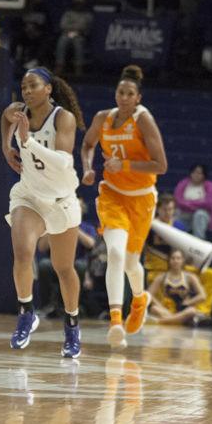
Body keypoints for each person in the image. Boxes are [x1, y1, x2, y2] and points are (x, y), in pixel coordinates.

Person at [81, 64, 168, 349]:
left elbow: (161, 165)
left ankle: (140, 300)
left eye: (130, 93)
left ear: (138, 98)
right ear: (115, 93)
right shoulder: (102, 118)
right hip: (112, 194)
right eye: (121, 92)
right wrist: (87, 168)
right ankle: (116, 320)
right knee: (115, 253)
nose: (124, 97)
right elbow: (87, 145)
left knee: (131, 262)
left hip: (142, 197)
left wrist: (126, 164)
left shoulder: (144, 120)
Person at [0, 67, 85, 358]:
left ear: (48, 89)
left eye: (33, 85)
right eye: (23, 86)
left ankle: (72, 325)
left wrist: (27, 141)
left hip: (61, 200)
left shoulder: (63, 118)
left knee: (64, 268)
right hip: (30, 196)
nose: (26, 91)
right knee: (23, 253)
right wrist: (5, 145)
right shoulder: (17, 110)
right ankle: (26, 312)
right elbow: (5, 117)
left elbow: (63, 162)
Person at [143, 193, 212, 317]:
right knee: (152, 278)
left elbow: (186, 249)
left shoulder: (179, 226)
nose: (168, 213)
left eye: (171, 209)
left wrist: (190, 259)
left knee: (211, 275)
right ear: (158, 209)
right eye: (165, 210)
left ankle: (203, 312)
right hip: (158, 268)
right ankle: (165, 311)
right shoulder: (150, 226)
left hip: (179, 267)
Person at [37, 197, 96, 317]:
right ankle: (47, 305)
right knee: (44, 265)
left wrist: (74, 228)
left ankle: (74, 306)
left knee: (80, 266)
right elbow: (41, 247)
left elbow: (91, 244)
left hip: (77, 264)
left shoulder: (87, 227)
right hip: (56, 263)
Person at [148, 250, 210, 326]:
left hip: (183, 310)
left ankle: (162, 321)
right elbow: (149, 294)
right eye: (173, 258)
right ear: (169, 260)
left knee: (192, 311)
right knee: (154, 308)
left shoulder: (190, 277)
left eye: (178, 258)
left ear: (183, 260)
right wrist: (160, 305)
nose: (175, 261)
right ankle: (176, 320)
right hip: (167, 309)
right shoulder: (162, 277)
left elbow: (202, 295)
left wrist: (188, 302)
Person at [173, 164, 212, 240]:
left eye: (199, 173)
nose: (196, 175)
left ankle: (198, 241)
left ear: (204, 175)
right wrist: (197, 204)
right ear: (191, 173)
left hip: (202, 215)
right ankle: (176, 241)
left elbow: (209, 203)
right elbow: (178, 200)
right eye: (194, 172)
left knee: (199, 214)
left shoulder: (210, 186)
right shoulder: (183, 183)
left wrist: (189, 204)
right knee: (175, 214)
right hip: (184, 214)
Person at [54, 0, 93, 77]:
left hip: (80, 35)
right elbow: (63, 25)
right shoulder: (68, 13)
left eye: (80, 3)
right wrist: (72, 29)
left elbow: (86, 27)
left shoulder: (87, 15)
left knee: (78, 43)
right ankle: (59, 65)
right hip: (67, 34)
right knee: (62, 40)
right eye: (77, 3)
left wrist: (78, 30)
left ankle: (78, 67)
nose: (78, 5)